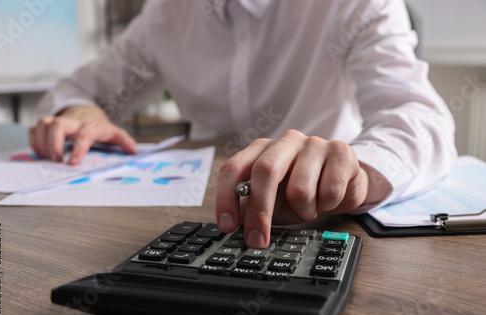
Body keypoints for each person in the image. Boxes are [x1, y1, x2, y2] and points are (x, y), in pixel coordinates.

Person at [29, 0, 457, 249]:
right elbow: (77, 90)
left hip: (321, 223)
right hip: (192, 217)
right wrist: (80, 111)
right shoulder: (167, 13)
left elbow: (420, 116)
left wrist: (357, 173)